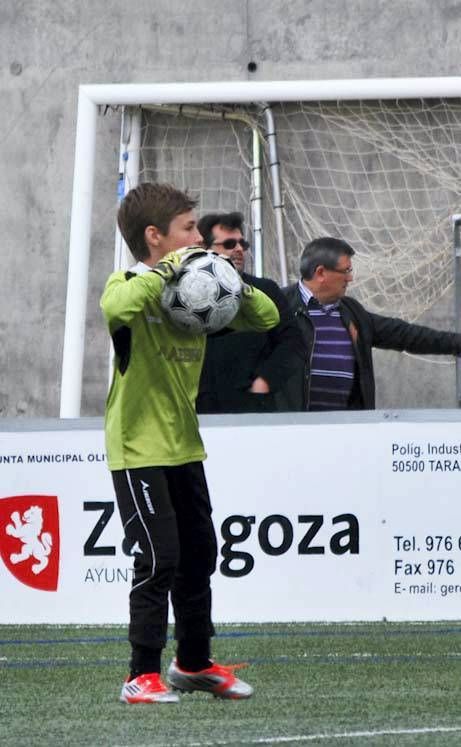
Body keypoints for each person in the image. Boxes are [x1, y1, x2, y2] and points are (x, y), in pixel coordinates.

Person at [100, 183, 280, 704]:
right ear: (154, 237)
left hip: (184, 445)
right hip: (138, 448)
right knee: (159, 557)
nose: (198, 238)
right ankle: (140, 675)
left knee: (202, 553)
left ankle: (194, 663)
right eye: (187, 230)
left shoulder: (198, 285)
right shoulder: (133, 280)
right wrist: (167, 270)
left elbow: (268, 316)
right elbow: (115, 307)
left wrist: (228, 282)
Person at [280, 236, 461, 411]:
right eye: (346, 271)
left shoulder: (353, 313)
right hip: (293, 431)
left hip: (346, 430)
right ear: (321, 273)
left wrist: (456, 343)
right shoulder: (280, 306)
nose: (350, 278)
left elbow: (405, 335)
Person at [196, 211, 303, 413]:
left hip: (252, 410)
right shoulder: (187, 296)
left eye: (242, 244)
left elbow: (293, 343)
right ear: (204, 249)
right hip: (198, 411)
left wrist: (265, 381)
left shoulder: (265, 290)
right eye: (228, 244)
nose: (238, 249)